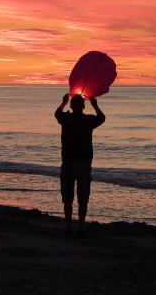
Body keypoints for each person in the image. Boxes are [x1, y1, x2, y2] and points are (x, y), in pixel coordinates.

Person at [55, 94, 105, 237]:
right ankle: (81, 228)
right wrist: (95, 105)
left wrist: (63, 102)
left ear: (71, 106)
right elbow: (102, 118)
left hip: (69, 162)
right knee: (83, 198)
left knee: (68, 198)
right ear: (83, 106)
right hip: (83, 163)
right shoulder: (87, 120)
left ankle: (69, 227)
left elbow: (57, 113)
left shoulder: (66, 119)